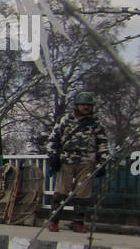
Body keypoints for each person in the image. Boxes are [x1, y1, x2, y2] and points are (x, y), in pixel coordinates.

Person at [46, 90, 109, 233]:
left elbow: (102, 143)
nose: (86, 107)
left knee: (83, 195)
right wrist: (53, 155)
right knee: (61, 192)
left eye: (89, 105)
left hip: (87, 161)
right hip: (67, 160)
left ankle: (78, 223)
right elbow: (53, 139)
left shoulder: (95, 124)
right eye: (83, 105)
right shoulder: (66, 121)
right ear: (77, 105)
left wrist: (102, 161)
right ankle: (54, 221)